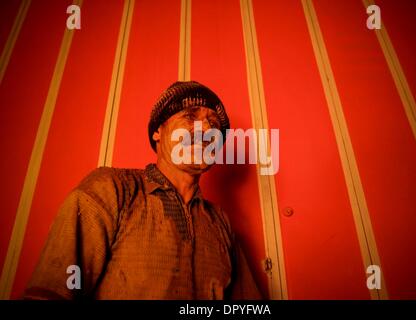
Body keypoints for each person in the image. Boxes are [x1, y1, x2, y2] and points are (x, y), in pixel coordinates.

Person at [24, 81, 262, 300]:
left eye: (215, 124)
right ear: (157, 132)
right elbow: (51, 293)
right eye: (190, 116)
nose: (207, 128)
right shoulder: (111, 188)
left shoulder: (221, 223)